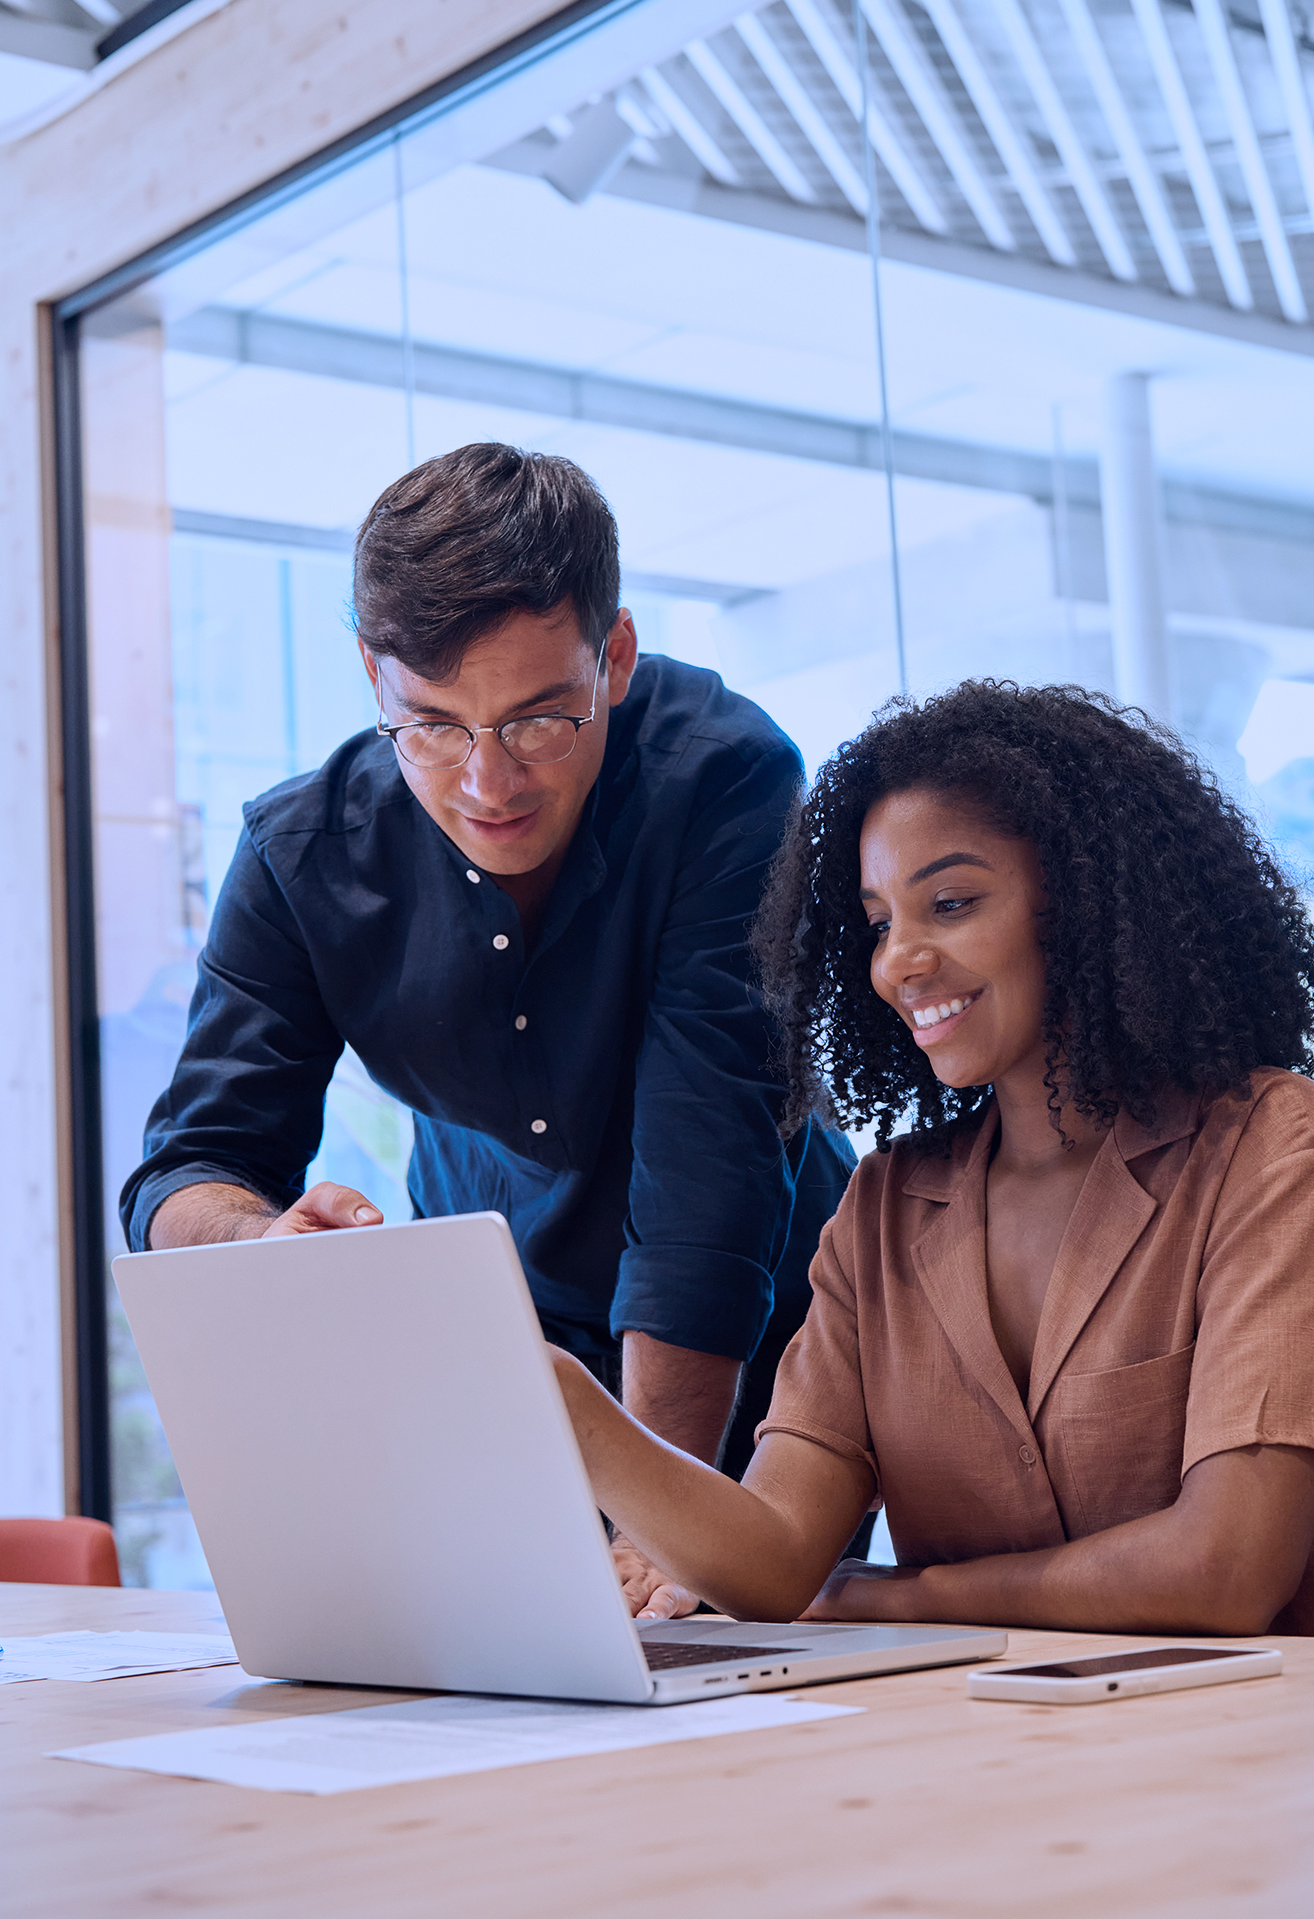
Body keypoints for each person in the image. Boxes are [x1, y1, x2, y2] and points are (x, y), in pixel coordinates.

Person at [553, 680, 1314, 1641]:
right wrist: (575, 1410)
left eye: (949, 902)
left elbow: (1226, 1573)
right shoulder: (885, 1210)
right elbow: (778, 1557)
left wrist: (903, 1596)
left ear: (1083, 901)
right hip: (1006, 1747)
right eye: (877, 923)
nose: (898, 960)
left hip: (1293, 1742)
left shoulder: (1269, 1145)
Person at [122, 443, 848, 1478]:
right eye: (432, 725)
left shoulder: (724, 778)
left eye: (540, 718)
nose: (487, 782)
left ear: (617, 657)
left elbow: (708, 1167)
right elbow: (187, 1169)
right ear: (375, 677)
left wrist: (660, 1516)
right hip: (510, 1352)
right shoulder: (301, 856)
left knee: (729, 1630)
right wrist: (262, 1240)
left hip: (763, 1344)